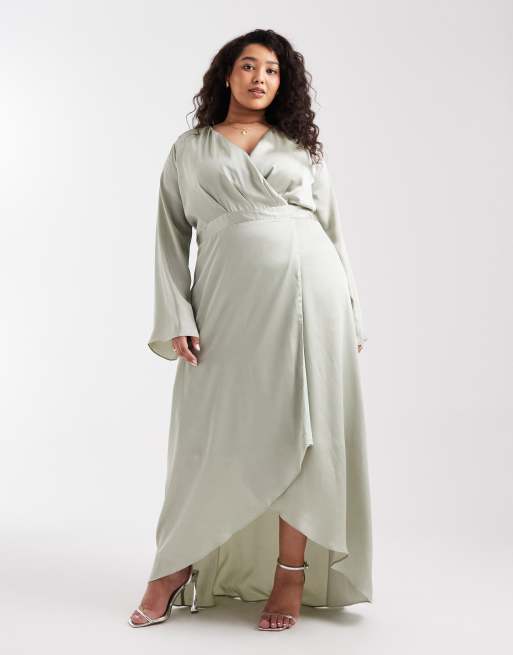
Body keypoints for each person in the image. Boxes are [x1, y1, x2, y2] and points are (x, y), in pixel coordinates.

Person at [129, 28, 372, 632]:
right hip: (227, 301)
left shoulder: (301, 149)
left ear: (283, 84)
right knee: (208, 431)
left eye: (272, 70)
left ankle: (290, 574)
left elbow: (333, 230)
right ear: (227, 74)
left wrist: (351, 309)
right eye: (248, 66)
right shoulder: (190, 149)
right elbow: (168, 236)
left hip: (312, 298)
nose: (260, 77)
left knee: (307, 428)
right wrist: (177, 315)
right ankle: (174, 565)